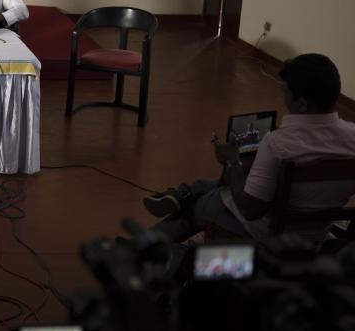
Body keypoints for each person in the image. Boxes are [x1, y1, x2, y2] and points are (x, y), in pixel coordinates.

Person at [143, 54, 355, 246]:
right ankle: (181, 195)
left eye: (285, 91)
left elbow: (250, 210)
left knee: (200, 204)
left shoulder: (277, 143)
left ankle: (139, 251)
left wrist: (233, 162)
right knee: (238, 177)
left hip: (266, 236)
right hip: (313, 236)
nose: (283, 96)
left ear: (301, 104)